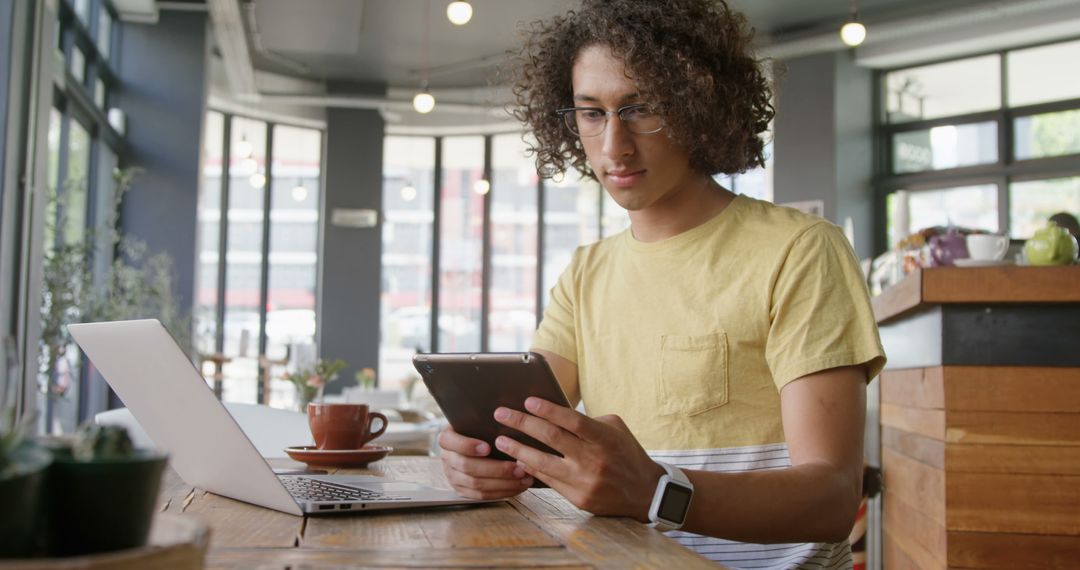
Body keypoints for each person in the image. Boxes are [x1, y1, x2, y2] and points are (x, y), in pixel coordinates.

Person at [437, 1, 887, 568]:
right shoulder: (585, 274)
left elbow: (831, 498)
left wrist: (656, 490)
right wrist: (480, 456)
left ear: (700, 106)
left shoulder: (800, 250)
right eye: (592, 112)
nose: (613, 146)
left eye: (641, 107)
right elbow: (529, 427)